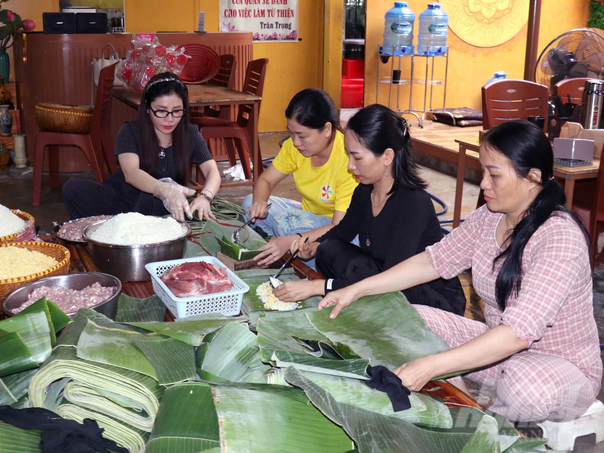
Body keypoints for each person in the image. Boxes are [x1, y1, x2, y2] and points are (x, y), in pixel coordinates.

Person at [318, 120, 602, 423]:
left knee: (524, 388)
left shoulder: (559, 237)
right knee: (407, 317)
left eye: (494, 174)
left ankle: (489, 428)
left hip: (561, 367)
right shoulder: (489, 218)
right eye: (484, 172)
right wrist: (355, 289)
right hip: (501, 349)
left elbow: (518, 334)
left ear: (532, 178)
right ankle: (452, 413)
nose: (483, 185)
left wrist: (430, 365)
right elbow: (432, 261)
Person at [273, 104, 465, 315]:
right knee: (330, 250)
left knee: (370, 277)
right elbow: (342, 231)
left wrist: (319, 287)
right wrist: (314, 246)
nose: (350, 166)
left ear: (387, 156)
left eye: (357, 157)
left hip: (429, 294)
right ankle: (356, 300)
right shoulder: (365, 190)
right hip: (383, 274)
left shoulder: (413, 203)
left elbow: (393, 277)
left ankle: (354, 300)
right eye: (348, 156)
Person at [63, 72, 220, 221]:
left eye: (177, 111)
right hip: (123, 202)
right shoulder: (130, 131)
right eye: (161, 111)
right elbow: (131, 173)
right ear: (147, 108)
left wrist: (205, 196)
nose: (170, 119)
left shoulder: (190, 133)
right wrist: (166, 190)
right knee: (73, 188)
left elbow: (212, 170)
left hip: (160, 208)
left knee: (211, 212)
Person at [242, 89, 359, 268]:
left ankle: (299, 256)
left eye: (302, 135)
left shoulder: (346, 160)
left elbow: (339, 226)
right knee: (250, 204)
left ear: (327, 129)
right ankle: (286, 250)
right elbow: (266, 181)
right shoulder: (294, 148)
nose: (296, 142)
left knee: (287, 222)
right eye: (291, 133)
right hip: (306, 218)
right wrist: (259, 201)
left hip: (340, 229)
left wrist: (290, 240)